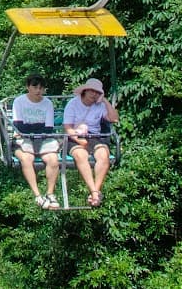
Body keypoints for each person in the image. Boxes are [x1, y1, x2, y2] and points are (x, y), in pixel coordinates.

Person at [63, 77, 119, 207]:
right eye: (92, 91)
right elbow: (68, 128)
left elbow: (114, 119)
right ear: (85, 90)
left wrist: (105, 101)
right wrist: (78, 140)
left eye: (97, 92)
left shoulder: (100, 105)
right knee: (81, 155)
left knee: (103, 155)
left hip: (94, 136)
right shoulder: (73, 104)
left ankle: (95, 192)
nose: (94, 94)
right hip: (74, 136)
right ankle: (94, 192)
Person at [12, 74, 61, 208]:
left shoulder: (47, 103)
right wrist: (34, 128)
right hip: (24, 138)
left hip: (42, 138)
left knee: (53, 159)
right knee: (27, 159)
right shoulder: (19, 102)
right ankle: (37, 195)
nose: (38, 90)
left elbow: (48, 128)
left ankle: (50, 193)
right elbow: (19, 126)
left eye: (41, 88)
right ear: (28, 87)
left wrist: (31, 128)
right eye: (35, 87)